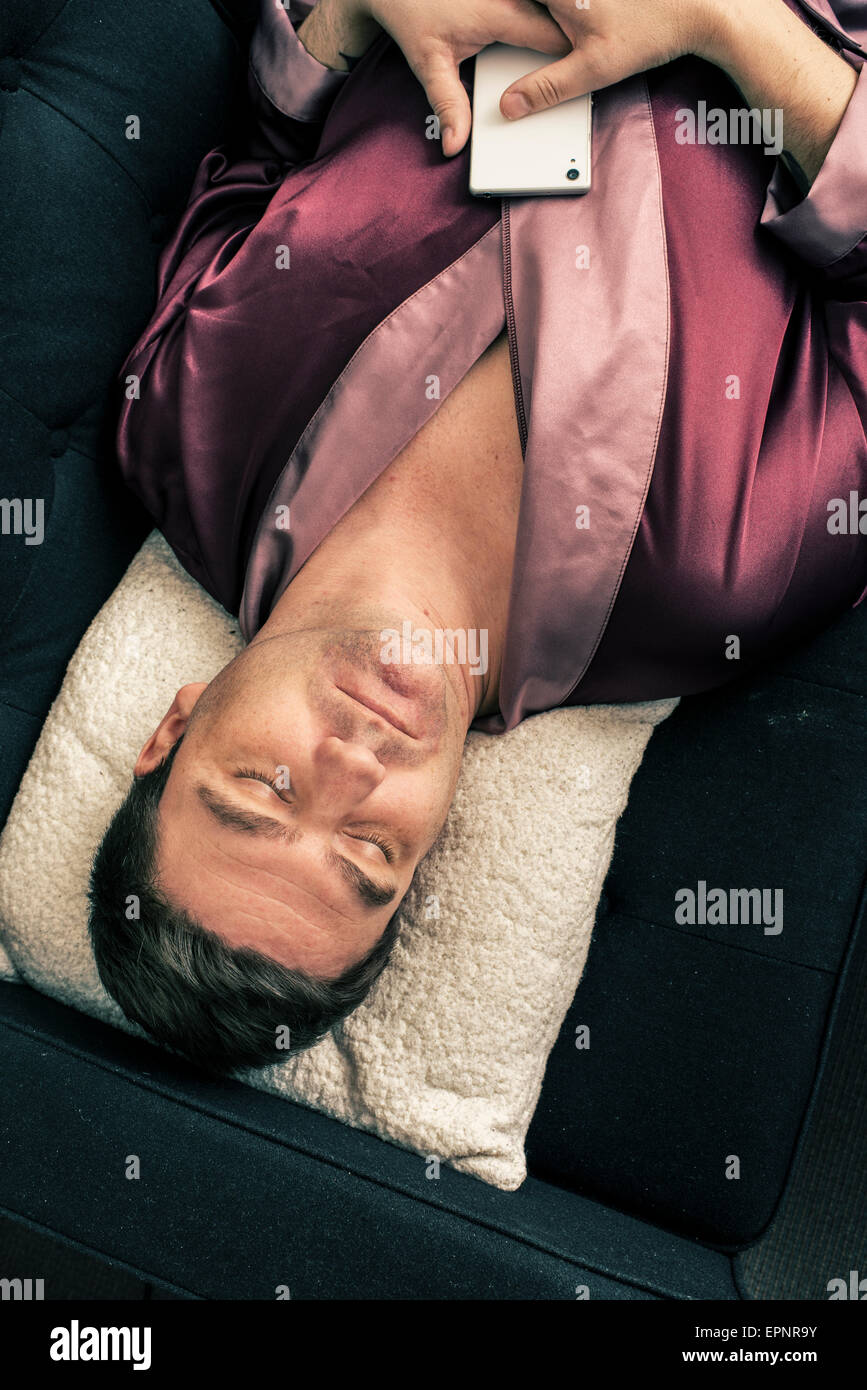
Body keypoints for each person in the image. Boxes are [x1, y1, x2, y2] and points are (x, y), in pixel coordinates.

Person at [88, 0, 867, 1074]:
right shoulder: (721, 584)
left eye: (266, 789)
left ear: (173, 730)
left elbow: (269, 144)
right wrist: (724, 24)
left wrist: (354, 15)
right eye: (371, 850)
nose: (353, 767)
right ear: (434, 847)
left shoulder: (178, 427)